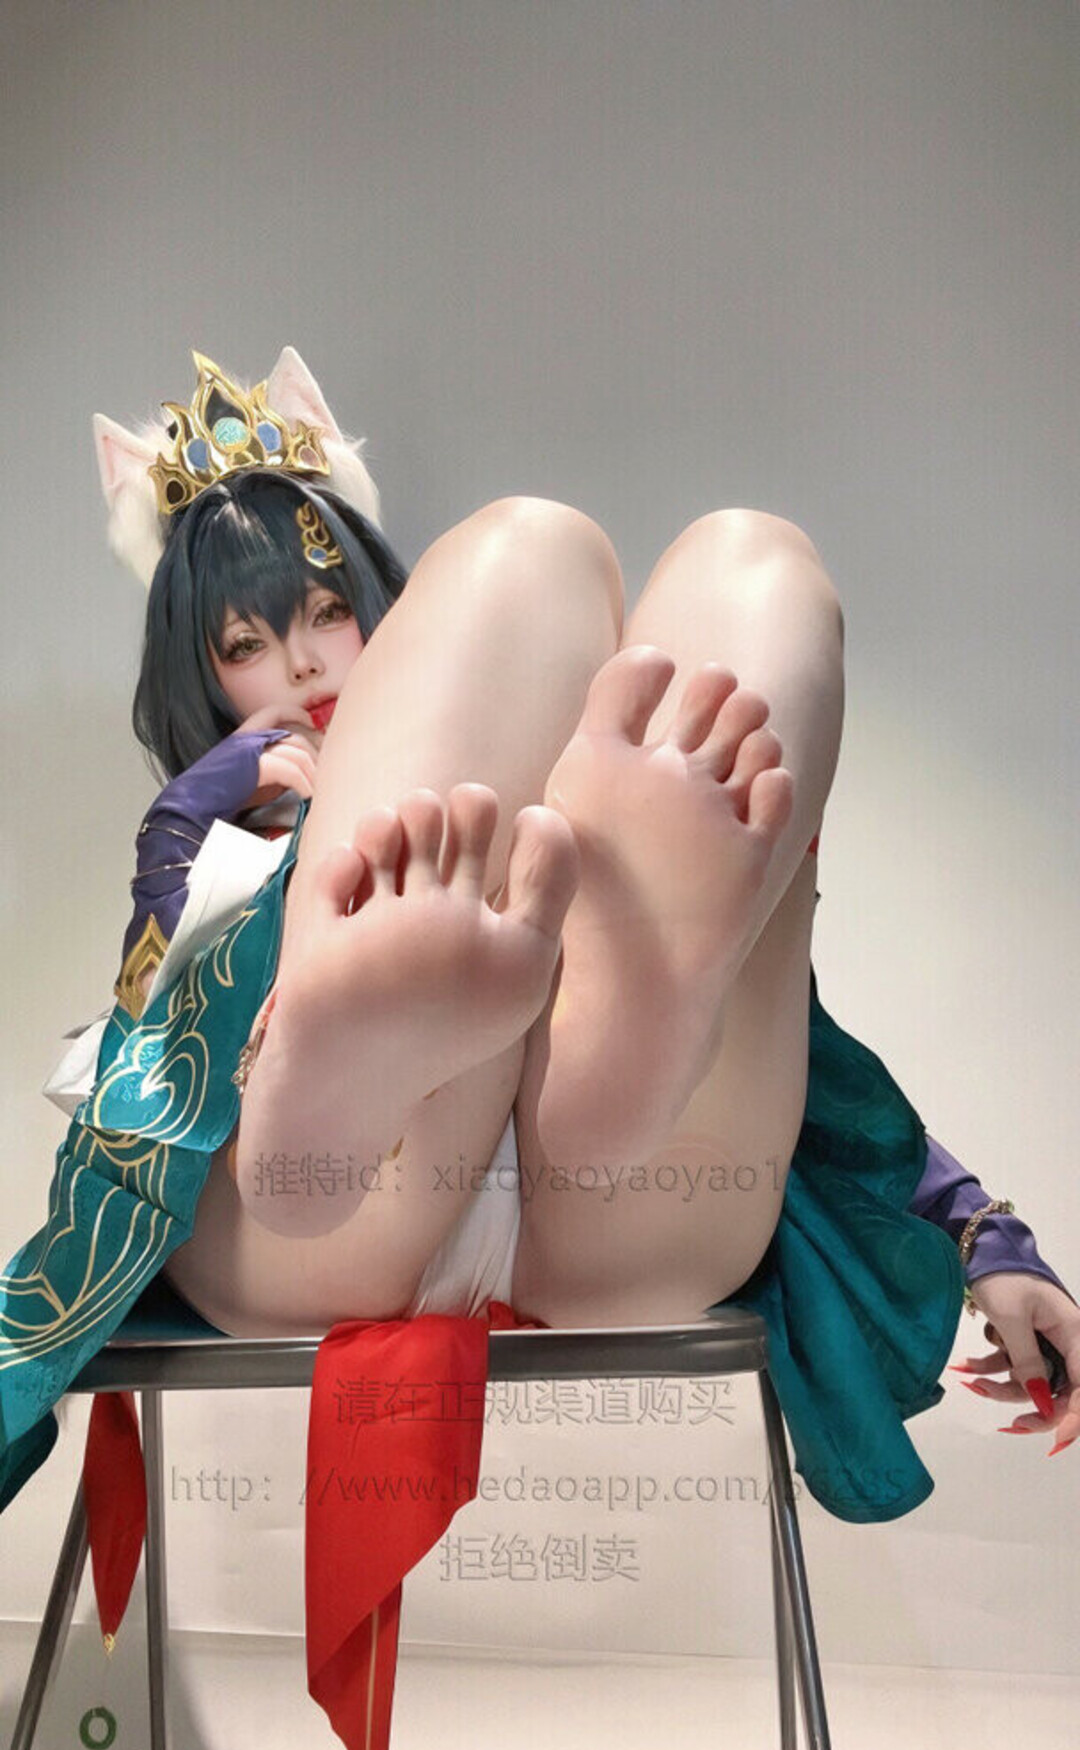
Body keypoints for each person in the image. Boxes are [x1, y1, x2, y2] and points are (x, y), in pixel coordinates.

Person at [4, 347, 1077, 1521]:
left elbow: (803, 1047)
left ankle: (603, 1041)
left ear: (374, 609)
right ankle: (336, 1073)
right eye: (246, 644)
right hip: (364, 1211)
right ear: (196, 674)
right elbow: (160, 1034)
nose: (302, 660)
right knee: (531, 550)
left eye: (326, 611)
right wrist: (199, 813)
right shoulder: (218, 836)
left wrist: (982, 1232)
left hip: (594, 1191)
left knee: (753, 566)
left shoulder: (534, 798)